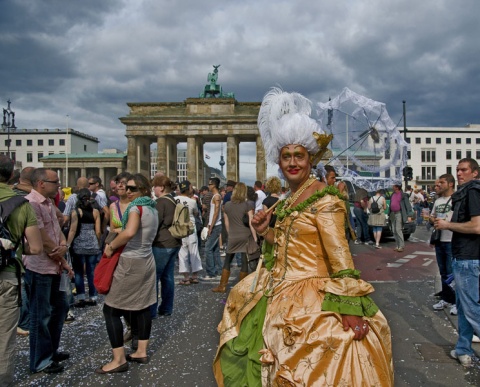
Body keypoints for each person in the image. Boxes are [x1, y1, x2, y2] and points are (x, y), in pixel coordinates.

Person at [213, 88, 393, 386]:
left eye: (299, 155)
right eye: (286, 156)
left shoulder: (325, 198)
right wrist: (264, 232)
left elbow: (341, 259)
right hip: (279, 289)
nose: (292, 162)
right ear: (279, 161)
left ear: (311, 159)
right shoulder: (288, 199)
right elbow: (285, 246)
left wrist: (349, 310)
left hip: (312, 297)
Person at [96, 174, 158, 374]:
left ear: (144, 190)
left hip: (131, 261)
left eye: (133, 189)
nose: (129, 192)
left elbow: (129, 232)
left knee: (111, 309)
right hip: (147, 259)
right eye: (127, 188)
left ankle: (119, 359)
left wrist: (111, 246)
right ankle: (141, 351)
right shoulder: (152, 208)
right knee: (142, 306)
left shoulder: (136, 208)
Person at [24, 168, 74, 374]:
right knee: (41, 314)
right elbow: (42, 238)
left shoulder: (48, 203)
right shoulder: (31, 204)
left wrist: (63, 246)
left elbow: (57, 229)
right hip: (40, 266)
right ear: (41, 183)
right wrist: (61, 256)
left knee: (60, 308)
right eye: (55, 182)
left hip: (55, 264)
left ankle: (50, 350)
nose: (59, 186)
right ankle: (40, 360)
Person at [0, 155, 42, 385]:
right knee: (5, 337)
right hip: (7, 273)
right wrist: (13, 246)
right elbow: (35, 248)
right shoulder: (21, 204)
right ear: (11, 176)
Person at [435, 158, 480, 368]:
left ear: (475, 173)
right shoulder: (465, 192)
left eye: (464, 170)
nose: (459, 173)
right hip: (462, 256)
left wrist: (447, 224)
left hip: (470, 259)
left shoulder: (473, 192)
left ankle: (464, 348)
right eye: (458, 170)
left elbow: (476, 227)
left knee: (471, 308)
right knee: (463, 307)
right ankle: (463, 349)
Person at [212, 182, 256, 293]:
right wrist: (255, 238)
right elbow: (251, 222)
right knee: (244, 262)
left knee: (228, 260)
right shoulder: (248, 205)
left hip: (233, 235)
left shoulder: (227, 205)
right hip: (245, 235)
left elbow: (226, 223)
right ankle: (242, 287)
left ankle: (222, 286)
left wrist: (230, 234)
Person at [151, 175, 182, 317]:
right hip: (174, 242)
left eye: (155, 186)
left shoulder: (160, 202)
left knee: (154, 277)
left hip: (162, 243)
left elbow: (155, 224)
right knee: (168, 277)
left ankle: (151, 311)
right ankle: (166, 308)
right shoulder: (173, 200)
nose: (153, 189)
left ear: (161, 187)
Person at [66, 188, 102, 307]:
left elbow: (72, 230)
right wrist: (97, 243)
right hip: (92, 244)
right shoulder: (95, 211)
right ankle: (93, 296)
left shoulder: (76, 212)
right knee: (91, 271)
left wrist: (67, 244)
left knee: (79, 272)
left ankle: (81, 297)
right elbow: (98, 231)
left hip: (79, 244)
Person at [429, 175, 456, 314]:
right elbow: (433, 216)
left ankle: (456, 301)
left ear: (450, 184)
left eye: (442, 182)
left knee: (453, 273)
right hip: (440, 240)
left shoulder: (456, 199)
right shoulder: (438, 201)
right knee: (443, 272)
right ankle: (446, 298)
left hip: (452, 240)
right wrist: (432, 219)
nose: (438, 185)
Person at [176, 180, 203, 285]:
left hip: (179, 228)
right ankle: (195, 276)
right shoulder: (192, 201)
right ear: (188, 190)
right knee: (194, 251)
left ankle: (186, 277)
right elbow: (196, 213)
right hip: (191, 228)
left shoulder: (175, 200)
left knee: (182, 253)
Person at [202, 177, 223, 280]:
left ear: (214, 185)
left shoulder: (216, 196)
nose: (208, 186)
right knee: (214, 250)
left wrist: (211, 226)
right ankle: (219, 270)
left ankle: (211, 272)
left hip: (215, 225)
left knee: (208, 248)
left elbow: (216, 213)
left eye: (210, 184)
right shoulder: (215, 196)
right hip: (214, 225)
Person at [389, 184, 413, 252]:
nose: (392, 187)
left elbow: (408, 206)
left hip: (399, 213)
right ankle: (397, 245)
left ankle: (401, 246)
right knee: (393, 230)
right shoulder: (392, 194)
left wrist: (409, 215)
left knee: (398, 229)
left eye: (393, 186)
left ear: (397, 187)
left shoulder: (403, 195)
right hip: (392, 213)